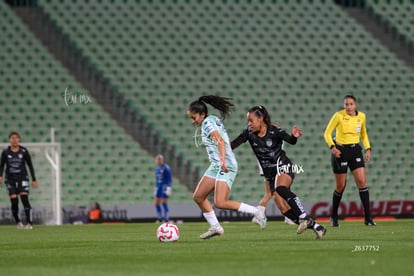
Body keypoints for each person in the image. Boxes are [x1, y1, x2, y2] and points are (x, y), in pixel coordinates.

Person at [231, 105, 327, 239]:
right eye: (248, 121)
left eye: (251, 120)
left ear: (260, 119)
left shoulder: (274, 130)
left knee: (280, 188)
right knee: (283, 208)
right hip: (270, 174)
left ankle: (304, 216)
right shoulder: (248, 133)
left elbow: (291, 141)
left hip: (283, 166)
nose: (249, 124)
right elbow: (233, 144)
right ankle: (317, 227)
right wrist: (220, 145)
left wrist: (294, 136)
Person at [187, 95, 267, 239]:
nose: (193, 121)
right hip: (216, 165)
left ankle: (256, 212)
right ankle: (215, 227)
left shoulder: (207, 123)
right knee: (198, 196)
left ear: (202, 114)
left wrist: (223, 160)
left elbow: (220, 141)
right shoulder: (211, 119)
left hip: (226, 164)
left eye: (194, 118)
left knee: (220, 202)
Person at [324, 94, 375, 227]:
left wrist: (368, 149)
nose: (348, 106)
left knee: (362, 182)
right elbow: (327, 133)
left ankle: (368, 218)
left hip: (355, 150)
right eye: (346, 104)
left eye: (351, 104)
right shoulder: (339, 115)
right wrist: (332, 147)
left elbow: (363, 134)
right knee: (341, 186)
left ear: (355, 105)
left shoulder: (362, 116)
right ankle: (334, 216)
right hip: (340, 151)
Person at [0, 132, 38, 229]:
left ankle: (29, 223)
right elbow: (2, 165)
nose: (15, 140)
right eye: (12, 138)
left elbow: (30, 165)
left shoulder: (24, 151)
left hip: (22, 178)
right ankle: (18, 221)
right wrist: (0, 176)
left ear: (19, 139)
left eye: (16, 138)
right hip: (10, 179)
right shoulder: (5, 152)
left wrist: (34, 179)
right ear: (10, 140)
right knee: (14, 201)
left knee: (24, 199)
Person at [154, 154, 172, 222]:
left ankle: (166, 219)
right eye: (157, 159)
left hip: (164, 186)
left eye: (160, 159)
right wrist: (156, 187)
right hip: (158, 186)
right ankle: (159, 218)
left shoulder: (166, 168)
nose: (158, 161)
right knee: (156, 203)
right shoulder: (157, 168)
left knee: (164, 202)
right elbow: (157, 179)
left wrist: (168, 187)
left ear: (162, 160)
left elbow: (169, 178)